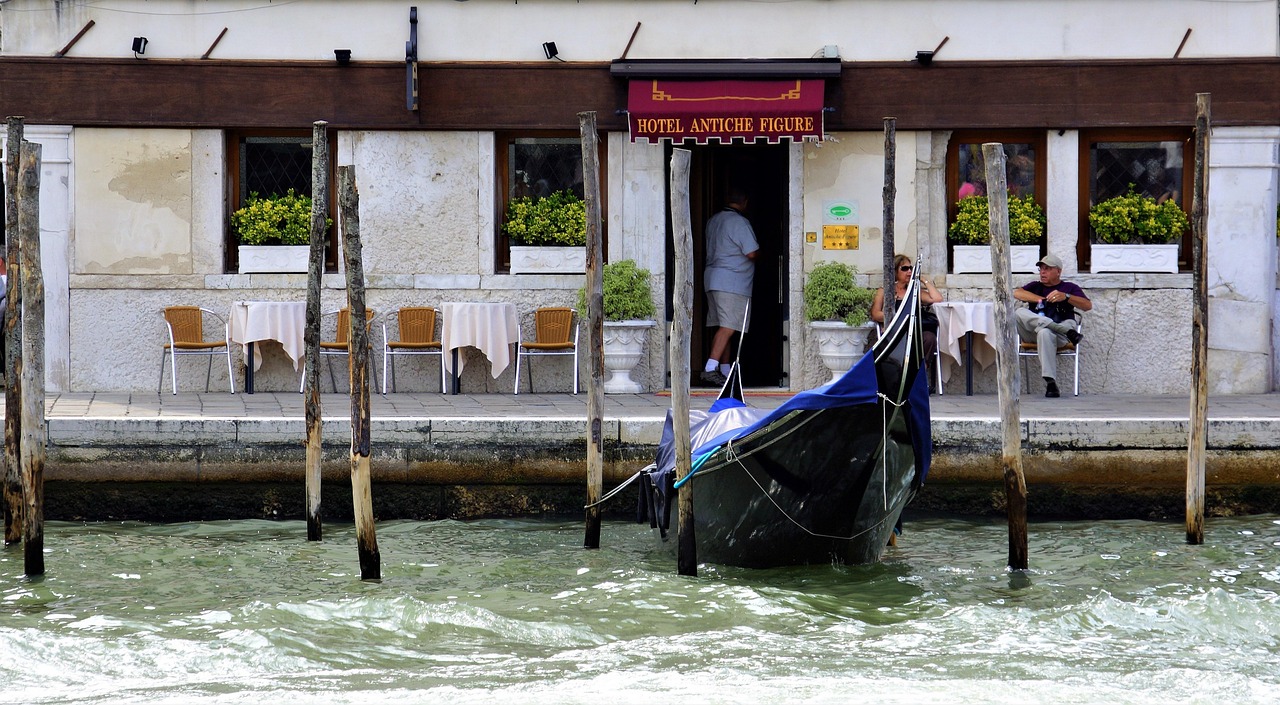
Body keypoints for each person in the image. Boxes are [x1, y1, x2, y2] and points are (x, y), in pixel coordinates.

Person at [701, 186, 758, 387]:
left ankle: (725, 371)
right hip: (732, 281)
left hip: (713, 279)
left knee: (724, 325)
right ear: (745, 203)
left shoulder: (713, 220)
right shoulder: (739, 223)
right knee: (728, 326)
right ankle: (710, 368)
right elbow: (751, 252)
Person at [1013, 253, 1091, 398]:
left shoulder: (1069, 287)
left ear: (1058, 272)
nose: (1043, 272)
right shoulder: (1035, 286)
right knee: (1019, 312)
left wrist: (1066, 297)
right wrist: (1040, 299)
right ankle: (1062, 329)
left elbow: (1087, 306)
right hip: (1042, 333)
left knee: (1045, 333)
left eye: (1047, 269)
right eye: (1041, 269)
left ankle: (1050, 383)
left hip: (1059, 336)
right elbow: (1017, 293)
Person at [870, 254, 943, 366]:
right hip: (894, 332)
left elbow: (937, 298)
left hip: (913, 333)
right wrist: (899, 318)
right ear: (895, 271)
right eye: (904, 269)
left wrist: (922, 280)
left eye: (911, 268)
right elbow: (875, 314)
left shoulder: (913, 291)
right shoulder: (884, 291)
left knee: (930, 338)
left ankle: (919, 371)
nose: (909, 271)